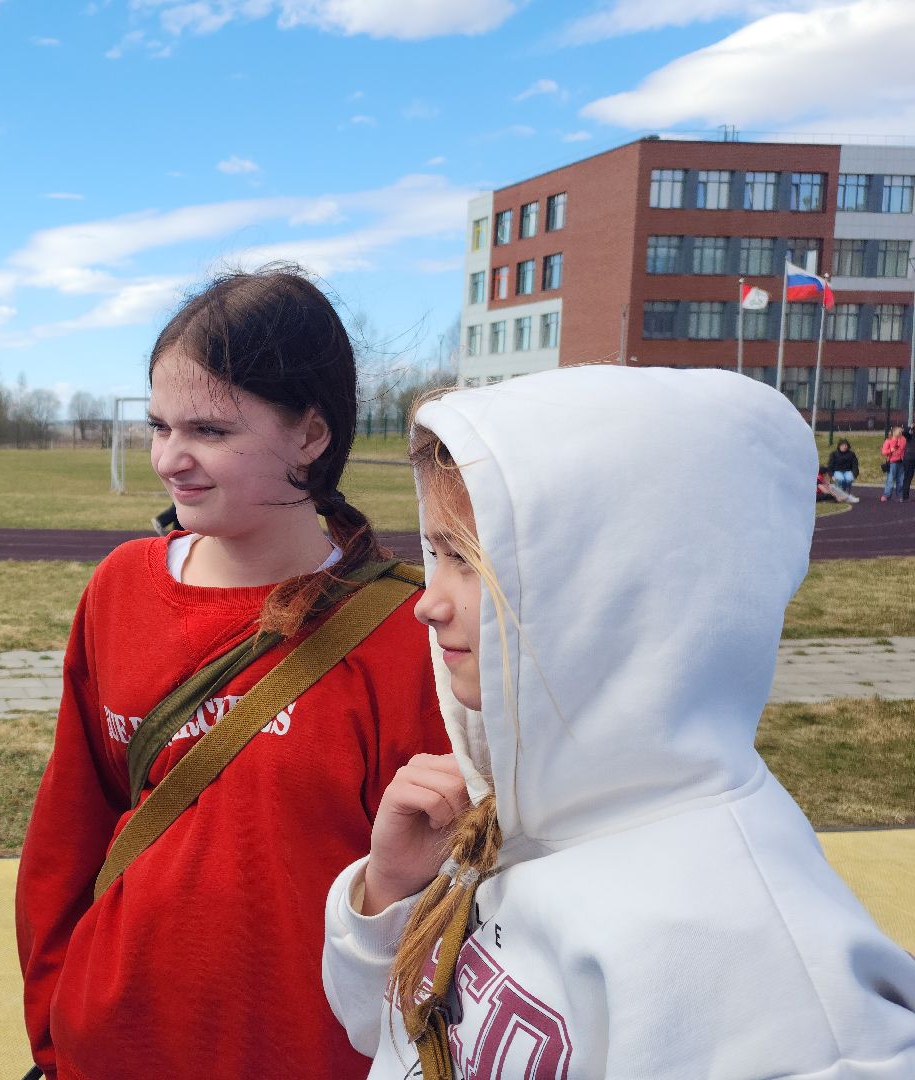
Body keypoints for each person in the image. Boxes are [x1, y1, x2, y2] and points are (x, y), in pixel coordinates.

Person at [322, 365, 915, 1078]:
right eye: (435, 554)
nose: (427, 602)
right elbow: (384, 1035)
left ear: (615, 591)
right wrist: (390, 893)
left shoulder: (764, 978)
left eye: (469, 562)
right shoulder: (511, 812)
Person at [16, 266, 446, 1080]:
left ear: (311, 436)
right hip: (111, 1046)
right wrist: (55, 1018)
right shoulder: (119, 585)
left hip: (308, 1053)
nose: (169, 460)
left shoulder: (404, 631)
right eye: (159, 426)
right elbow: (66, 834)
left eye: (209, 431)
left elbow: (434, 895)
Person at [883, 425, 907, 503]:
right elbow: (883, 452)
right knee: (890, 479)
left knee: (900, 480)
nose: (901, 432)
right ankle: (886, 495)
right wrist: (890, 450)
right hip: (892, 462)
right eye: (899, 431)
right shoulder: (888, 440)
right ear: (894, 432)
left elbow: (904, 447)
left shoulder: (903, 439)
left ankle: (899, 495)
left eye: (901, 431)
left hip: (901, 462)